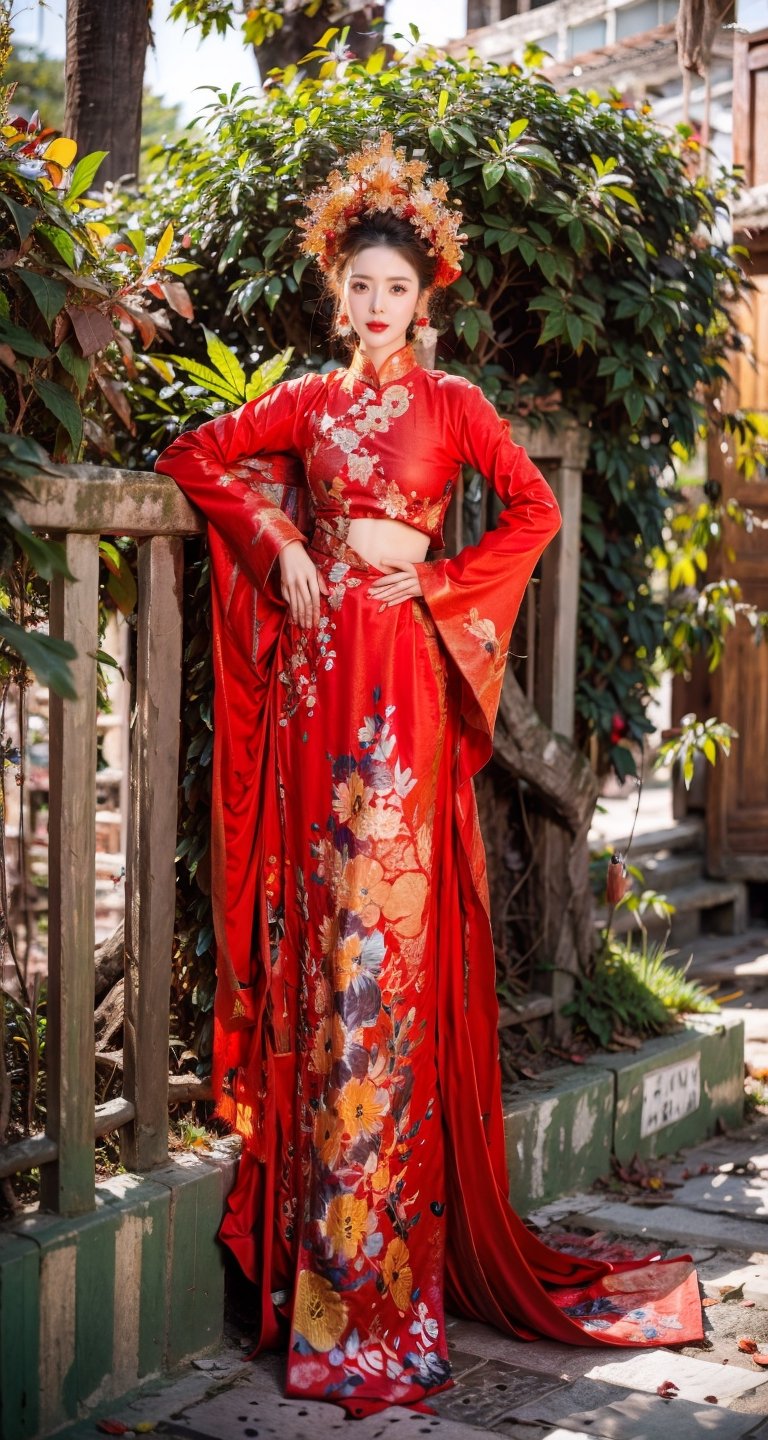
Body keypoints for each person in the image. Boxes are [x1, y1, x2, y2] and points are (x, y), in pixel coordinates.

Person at [155, 133, 702, 1418]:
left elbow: (532, 512)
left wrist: (442, 585)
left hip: (400, 692)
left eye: (397, 288)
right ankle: (314, 1277)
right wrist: (281, 531)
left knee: (383, 970)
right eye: (360, 287)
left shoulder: (457, 411)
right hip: (313, 698)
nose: (376, 305)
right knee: (318, 959)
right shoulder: (307, 402)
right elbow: (197, 457)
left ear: (427, 298)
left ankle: (377, 1282)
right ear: (337, 296)